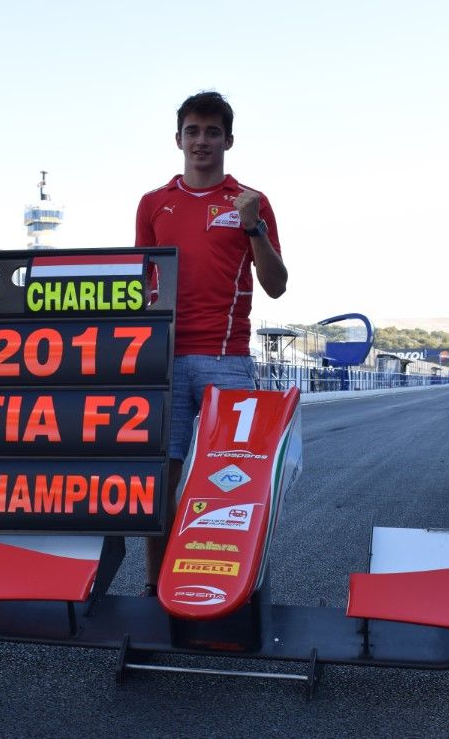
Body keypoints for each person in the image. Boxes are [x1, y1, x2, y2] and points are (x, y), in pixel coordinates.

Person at [134, 91, 288, 593]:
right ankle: (158, 589)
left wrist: (254, 228)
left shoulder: (251, 201)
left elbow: (277, 284)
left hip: (228, 362)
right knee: (162, 486)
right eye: (193, 131)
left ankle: (237, 590)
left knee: (235, 486)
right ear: (178, 138)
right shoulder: (154, 203)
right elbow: (138, 282)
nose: (202, 141)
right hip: (166, 362)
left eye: (212, 132)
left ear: (229, 140)